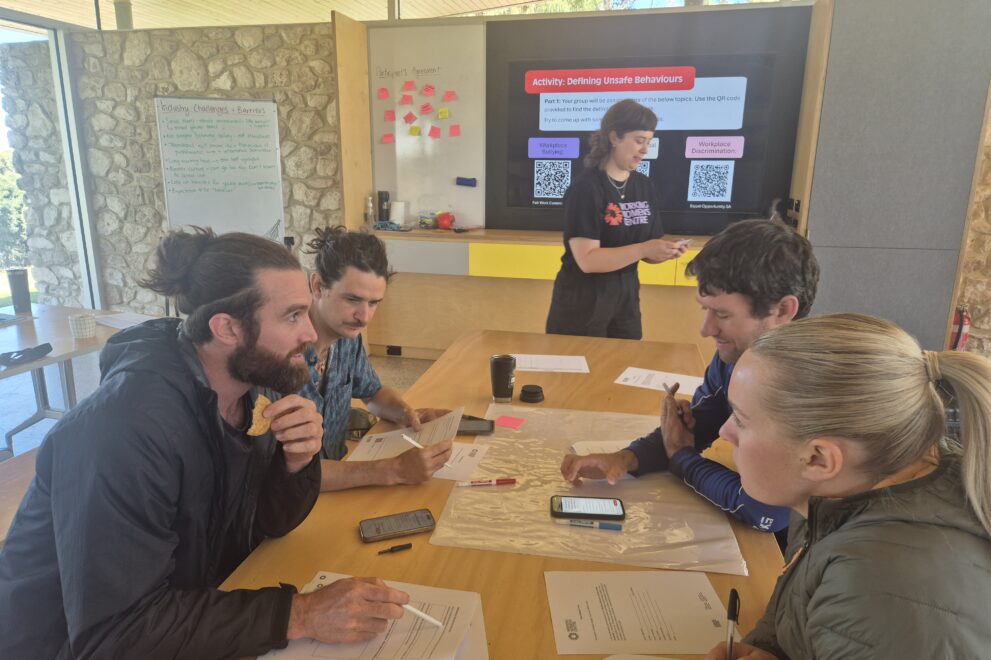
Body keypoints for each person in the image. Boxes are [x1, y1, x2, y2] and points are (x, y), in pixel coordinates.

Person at [0, 228, 410, 658]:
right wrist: (299, 614)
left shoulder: (242, 394)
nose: (310, 334)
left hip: (184, 614)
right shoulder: (124, 431)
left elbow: (265, 526)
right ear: (228, 328)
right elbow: (115, 635)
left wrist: (295, 463)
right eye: (292, 316)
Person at [705, 314, 991, 659]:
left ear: (818, 460)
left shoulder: (879, 588)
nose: (725, 432)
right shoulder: (831, 496)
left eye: (740, 420)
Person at [561, 219, 820, 533]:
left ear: (782, 310)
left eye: (722, 315)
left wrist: (683, 460)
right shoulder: (739, 354)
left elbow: (765, 510)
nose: (706, 329)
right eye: (705, 310)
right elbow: (701, 422)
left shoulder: (802, 391)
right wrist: (627, 458)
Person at [302, 227, 452, 491]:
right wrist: (394, 470)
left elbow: (373, 393)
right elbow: (286, 475)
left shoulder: (347, 337)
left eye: (373, 303)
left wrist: (406, 413)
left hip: (336, 490)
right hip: (289, 506)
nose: (365, 317)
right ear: (317, 286)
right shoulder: (280, 356)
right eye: (352, 299)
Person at [545, 98, 688, 339]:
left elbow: (646, 251)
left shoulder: (644, 186)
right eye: (639, 141)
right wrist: (644, 248)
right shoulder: (586, 188)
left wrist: (664, 251)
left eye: (649, 142)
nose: (645, 150)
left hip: (626, 302)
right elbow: (588, 261)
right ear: (614, 137)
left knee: (625, 371)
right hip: (583, 304)